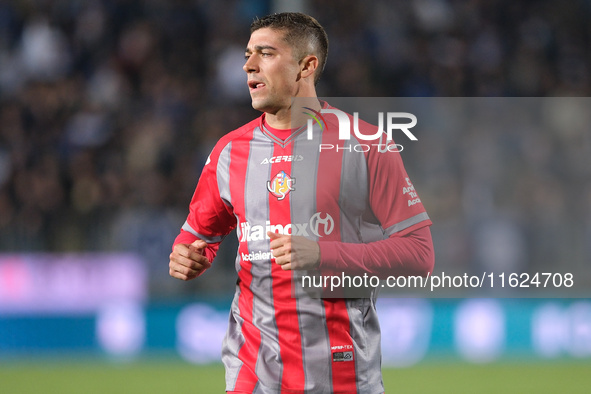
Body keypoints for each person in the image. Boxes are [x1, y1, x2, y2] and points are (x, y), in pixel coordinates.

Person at [169, 12, 434, 393]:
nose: (248, 65)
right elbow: (197, 237)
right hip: (251, 370)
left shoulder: (366, 144)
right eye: (247, 54)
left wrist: (324, 254)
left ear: (305, 66)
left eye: (266, 53)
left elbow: (420, 255)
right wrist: (187, 256)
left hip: (343, 372)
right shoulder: (228, 152)